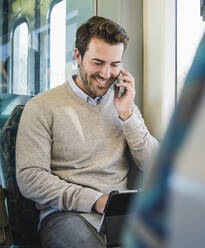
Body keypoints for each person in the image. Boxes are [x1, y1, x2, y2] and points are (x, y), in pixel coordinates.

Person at [15, 16, 158, 248]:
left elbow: (156, 165)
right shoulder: (41, 107)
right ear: (78, 57)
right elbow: (30, 178)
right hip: (65, 215)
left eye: (115, 64)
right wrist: (96, 201)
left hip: (117, 216)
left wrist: (127, 116)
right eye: (98, 62)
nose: (106, 73)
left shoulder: (123, 103)